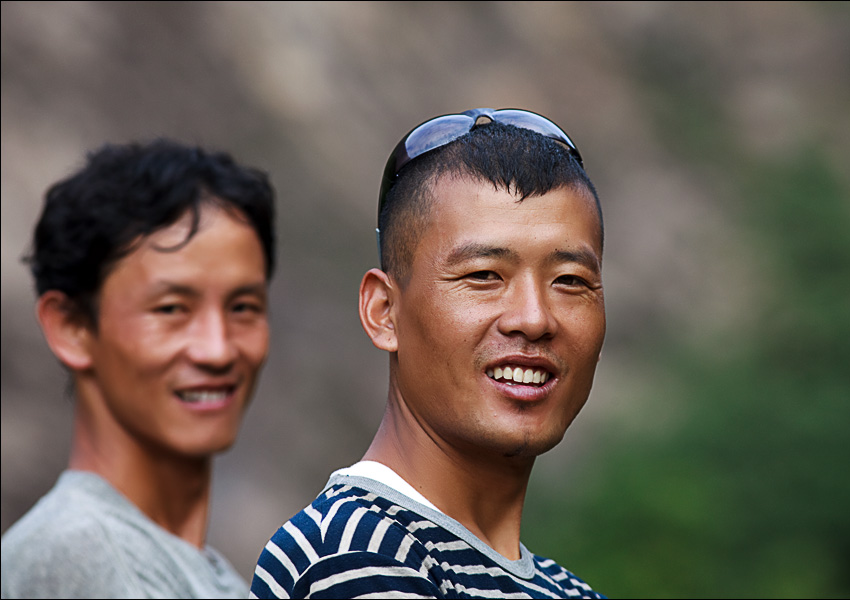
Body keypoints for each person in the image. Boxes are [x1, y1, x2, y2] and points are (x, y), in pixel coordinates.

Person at [251, 108, 606, 599]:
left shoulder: (568, 590)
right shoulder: (356, 554)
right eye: (484, 275)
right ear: (384, 311)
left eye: (569, 281)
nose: (534, 318)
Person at [1, 139, 276, 599]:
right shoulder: (78, 553)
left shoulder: (208, 577)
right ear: (71, 327)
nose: (217, 349)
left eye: (243, 307)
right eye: (171, 309)